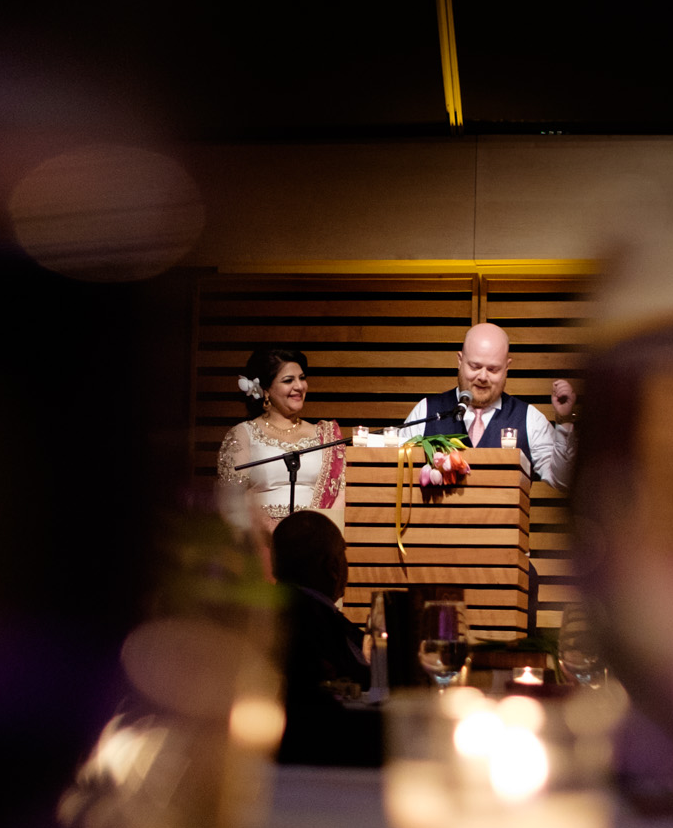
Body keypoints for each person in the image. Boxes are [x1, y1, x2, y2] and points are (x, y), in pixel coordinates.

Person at [401, 322, 578, 491]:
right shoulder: (426, 410)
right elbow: (394, 471)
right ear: (460, 361)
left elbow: (561, 481)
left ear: (507, 368)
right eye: (475, 366)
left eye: (493, 369)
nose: (483, 377)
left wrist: (564, 421)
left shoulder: (529, 418)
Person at [271, 509, 381, 767]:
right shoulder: (308, 620)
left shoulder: (271, 616)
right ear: (332, 566)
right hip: (330, 754)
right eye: (343, 554)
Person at [217, 347, 347, 565]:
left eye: (302, 378)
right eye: (288, 380)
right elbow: (231, 500)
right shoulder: (243, 434)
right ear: (266, 389)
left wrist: (317, 537)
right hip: (261, 548)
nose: (299, 386)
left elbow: (341, 492)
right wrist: (275, 534)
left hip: (317, 549)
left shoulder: (325, 434)